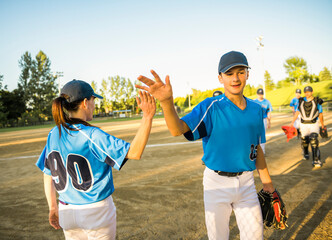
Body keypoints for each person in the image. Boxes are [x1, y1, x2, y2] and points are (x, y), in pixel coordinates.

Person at [136, 51, 275, 240]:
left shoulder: (256, 110)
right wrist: (166, 102)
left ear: (248, 74)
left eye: (241, 72)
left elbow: (256, 148)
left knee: (255, 236)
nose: (235, 78)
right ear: (220, 78)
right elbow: (178, 129)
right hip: (217, 183)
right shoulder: (211, 107)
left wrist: (268, 185)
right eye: (229, 73)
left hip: (247, 184)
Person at [36, 79, 156, 240]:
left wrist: (52, 208)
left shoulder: (53, 133)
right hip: (95, 211)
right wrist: (147, 117)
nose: (94, 104)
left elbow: (47, 173)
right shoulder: (92, 134)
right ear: (85, 102)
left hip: (66, 211)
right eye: (93, 100)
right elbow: (134, 152)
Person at [290, 86, 325, 167]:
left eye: (308, 92)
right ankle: (305, 152)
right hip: (303, 124)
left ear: (312, 92)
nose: (307, 93)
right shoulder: (301, 101)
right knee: (304, 141)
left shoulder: (317, 101)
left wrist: (322, 124)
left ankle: (316, 160)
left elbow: (320, 114)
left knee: (314, 140)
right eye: (305, 92)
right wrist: (292, 122)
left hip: (313, 123)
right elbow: (297, 112)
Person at [253, 88, 273, 154]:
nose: (260, 96)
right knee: (255, 134)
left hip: (263, 120)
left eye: (261, 94)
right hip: (255, 120)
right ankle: (255, 151)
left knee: (262, 135)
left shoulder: (267, 102)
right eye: (259, 94)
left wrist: (269, 122)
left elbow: (269, 112)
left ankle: (262, 151)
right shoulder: (254, 102)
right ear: (257, 94)